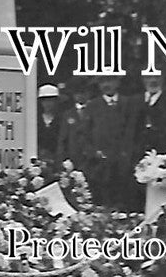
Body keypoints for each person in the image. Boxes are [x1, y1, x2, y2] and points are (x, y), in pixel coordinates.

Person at [84, 75, 138, 211]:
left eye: (110, 80)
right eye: (102, 81)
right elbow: (84, 135)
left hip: (125, 165)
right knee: (103, 205)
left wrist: (128, 154)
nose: (106, 84)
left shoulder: (129, 104)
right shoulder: (92, 106)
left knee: (125, 206)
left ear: (118, 82)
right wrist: (94, 152)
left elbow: (135, 132)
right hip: (100, 166)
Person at [56, 76, 91, 170]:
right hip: (73, 161)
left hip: (92, 161)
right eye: (77, 92)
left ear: (88, 93)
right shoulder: (67, 114)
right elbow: (62, 140)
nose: (80, 95)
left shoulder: (96, 111)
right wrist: (62, 161)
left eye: (83, 92)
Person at [37, 84, 62, 163]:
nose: (47, 104)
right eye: (45, 100)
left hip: (57, 160)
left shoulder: (61, 119)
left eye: (51, 100)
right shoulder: (35, 119)